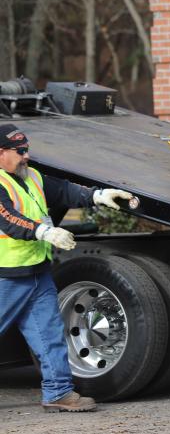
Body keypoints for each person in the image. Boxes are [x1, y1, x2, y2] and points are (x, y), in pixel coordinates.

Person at [0, 124, 133, 412]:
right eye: (19, 151)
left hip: (35, 272)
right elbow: (8, 219)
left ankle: (58, 392)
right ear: (1, 154)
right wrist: (44, 232)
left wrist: (98, 196)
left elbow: (64, 191)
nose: (26, 156)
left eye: (27, 149)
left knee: (49, 335)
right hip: (6, 277)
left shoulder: (31, 176)